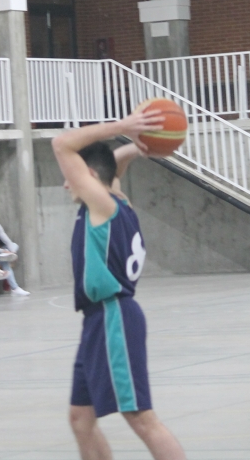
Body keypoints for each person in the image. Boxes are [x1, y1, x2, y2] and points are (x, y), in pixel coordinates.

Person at [52, 107, 188, 460]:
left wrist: (123, 126)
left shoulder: (101, 204)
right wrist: (135, 148)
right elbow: (112, 169)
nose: (66, 183)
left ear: (89, 176)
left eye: (71, 175)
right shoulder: (117, 200)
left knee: (142, 419)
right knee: (81, 418)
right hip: (99, 320)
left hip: (114, 317)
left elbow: (61, 143)